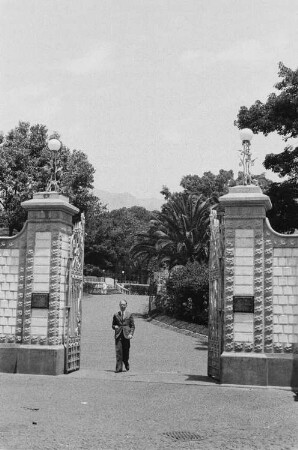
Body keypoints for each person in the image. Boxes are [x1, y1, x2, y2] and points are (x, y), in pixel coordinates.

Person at [112, 299, 135, 373]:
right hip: (118, 335)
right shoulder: (116, 315)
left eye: (124, 305)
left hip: (126, 335)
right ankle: (118, 368)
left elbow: (132, 326)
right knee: (118, 351)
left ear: (126, 305)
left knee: (126, 351)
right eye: (121, 305)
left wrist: (131, 334)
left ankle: (126, 361)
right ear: (119, 305)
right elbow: (113, 324)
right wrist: (114, 326)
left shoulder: (129, 314)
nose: (122, 306)